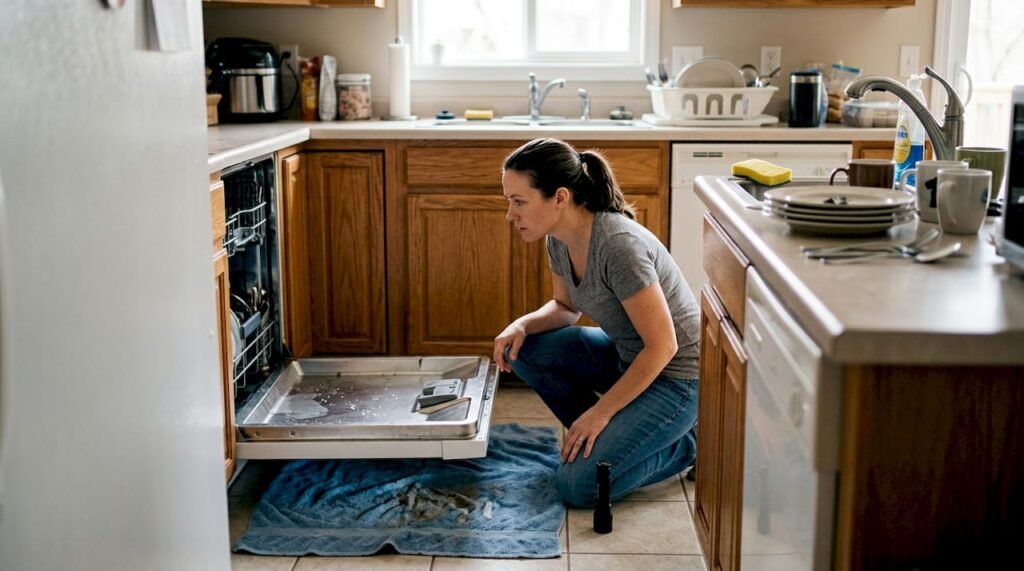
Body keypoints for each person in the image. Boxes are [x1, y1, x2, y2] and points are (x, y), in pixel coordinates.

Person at [493, 138, 701, 508]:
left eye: (519, 201)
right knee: (526, 350)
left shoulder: (619, 246)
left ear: (559, 197)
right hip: (628, 358)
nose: (510, 215)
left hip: (677, 378)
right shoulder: (559, 237)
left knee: (580, 488)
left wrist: (601, 412)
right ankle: (596, 443)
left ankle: (692, 444)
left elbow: (664, 347)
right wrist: (521, 325)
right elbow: (565, 307)